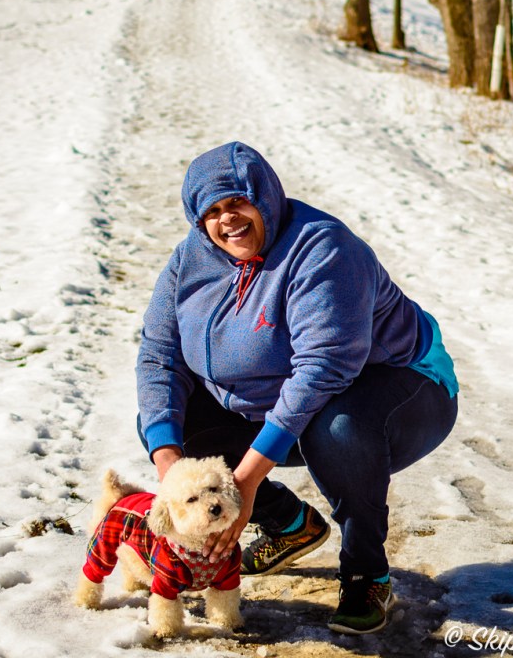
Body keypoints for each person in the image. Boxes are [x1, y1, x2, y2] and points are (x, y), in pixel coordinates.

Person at [136, 141, 458, 635]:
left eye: (239, 202)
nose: (229, 220)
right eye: (214, 212)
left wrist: (240, 486)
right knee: (175, 425)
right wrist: (171, 472)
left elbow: (323, 368)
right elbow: (159, 355)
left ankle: (366, 573)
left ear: (265, 197)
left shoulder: (323, 248)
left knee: (338, 429)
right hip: (278, 395)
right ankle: (289, 523)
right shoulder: (189, 261)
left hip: (404, 388)